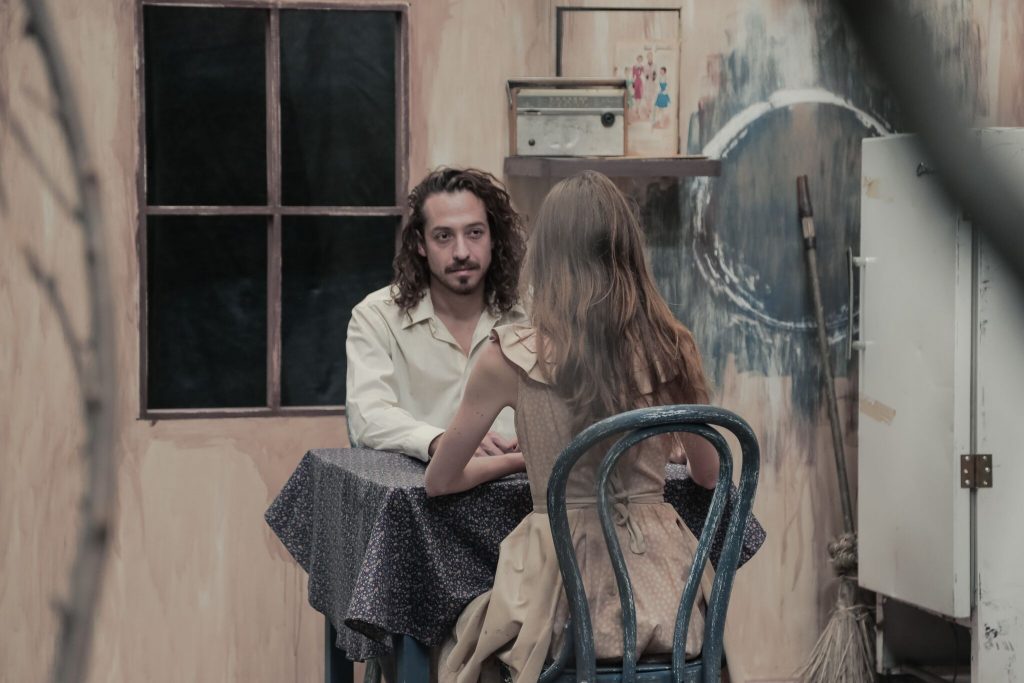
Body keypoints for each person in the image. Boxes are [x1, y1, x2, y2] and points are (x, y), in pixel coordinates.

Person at [425, 171, 720, 682]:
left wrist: (522, 460)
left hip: (558, 608)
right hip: (668, 606)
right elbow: (709, 474)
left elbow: (440, 481)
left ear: (545, 256)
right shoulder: (673, 347)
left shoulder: (509, 357)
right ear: (628, 252)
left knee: (460, 638)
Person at [345, 167, 528, 461]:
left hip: (519, 483)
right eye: (444, 236)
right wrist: (442, 441)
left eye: (475, 233)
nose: (461, 252)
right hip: (415, 487)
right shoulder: (377, 317)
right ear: (421, 244)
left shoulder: (532, 314)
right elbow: (367, 416)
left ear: (493, 237)